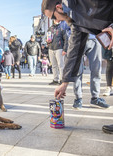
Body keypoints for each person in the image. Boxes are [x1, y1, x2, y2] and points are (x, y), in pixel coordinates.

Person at [41, 0, 113, 134]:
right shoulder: (75, 22)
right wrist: (64, 82)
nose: (55, 21)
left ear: (59, 7)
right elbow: (73, 52)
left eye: (53, 17)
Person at [73, 34, 109, 109]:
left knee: (96, 70)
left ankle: (95, 98)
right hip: (78, 38)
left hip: (95, 38)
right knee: (77, 71)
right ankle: (78, 98)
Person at [47, 20, 68, 85]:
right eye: (54, 19)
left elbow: (66, 39)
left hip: (59, 48)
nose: (55, 20)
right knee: (54, 65)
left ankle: (62, 80)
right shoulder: (50, 28)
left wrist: (65, 49)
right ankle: (55, 79)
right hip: (51, 48)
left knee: (61, 65)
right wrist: (47, 41)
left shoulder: (62, 28)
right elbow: (48, 37)